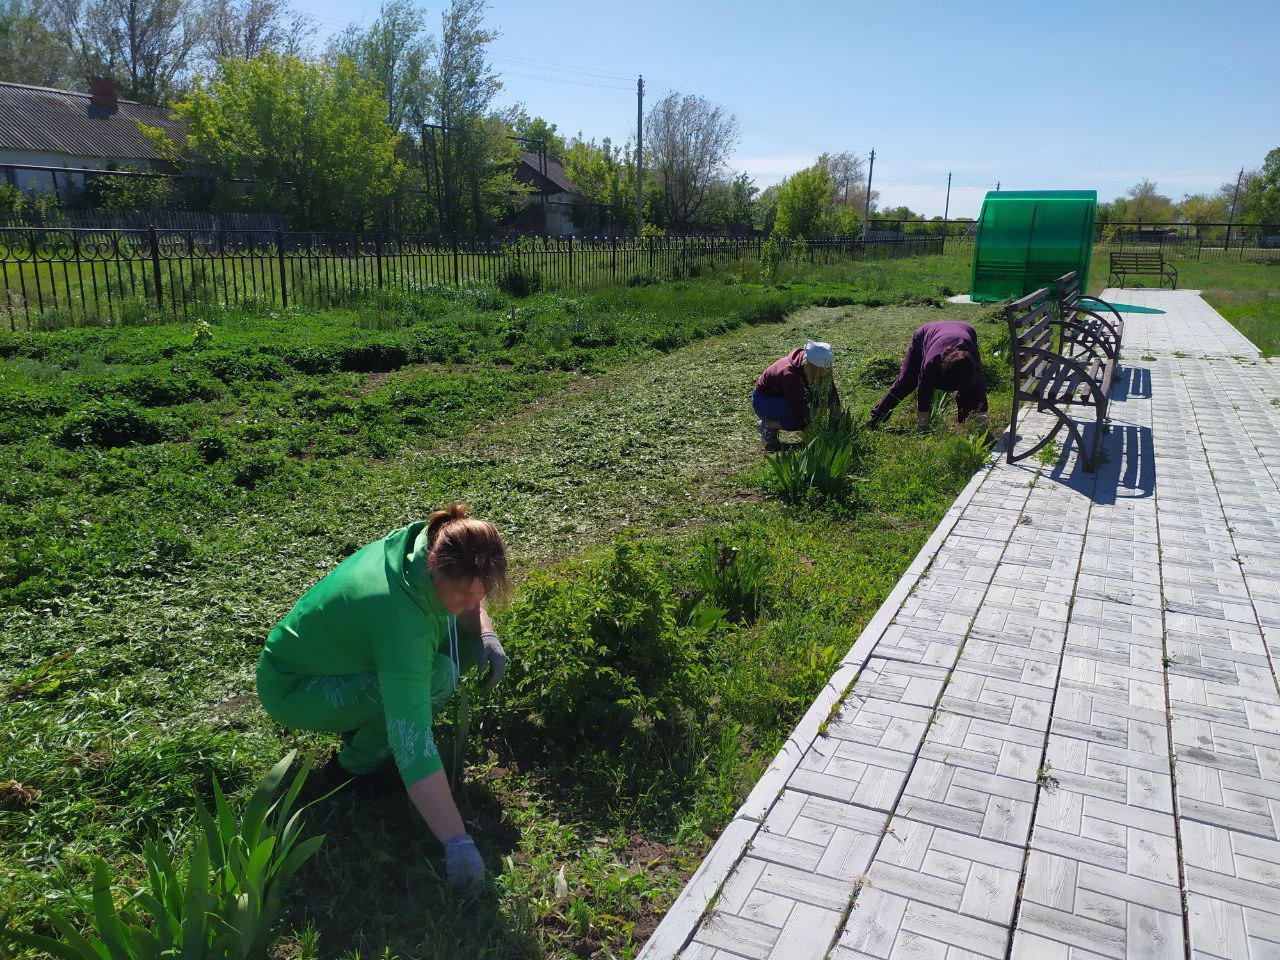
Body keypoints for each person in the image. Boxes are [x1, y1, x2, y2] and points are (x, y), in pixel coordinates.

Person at [256, 503, 509, 895]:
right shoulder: (400, 621)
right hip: (295, 686)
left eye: (478, 595)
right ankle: (353, 769)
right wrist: (457, 842)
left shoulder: (430, 543)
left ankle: (362, 732)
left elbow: (471, 592)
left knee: (445, 663)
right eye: (464, 597)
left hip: (337, 662)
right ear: (439, 569)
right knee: (435, 679)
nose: (471, 605)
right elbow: (413, 742)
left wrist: (486, 633)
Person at [868, 320, 988, 430]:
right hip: (925, 334)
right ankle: (875, 419)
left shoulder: (972, 366)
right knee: (906, 382)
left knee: (969, 388)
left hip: (966, 330)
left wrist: (982, 426)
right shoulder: (932, 363)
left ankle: (964, 424)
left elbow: (979, 393)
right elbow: (924, 393)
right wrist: (923, 425)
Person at [753, 340, 841, 450]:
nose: (822, 375)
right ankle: (767, 425)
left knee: (813, 409)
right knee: (798, 419)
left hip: (785, 396)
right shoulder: (789, 374)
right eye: (819, 372)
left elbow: (830, 390)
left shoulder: (817, 366)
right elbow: (796, 408)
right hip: (765, 401)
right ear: (809, 365)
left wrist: (837, 422)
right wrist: (812, 435)